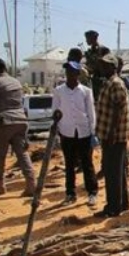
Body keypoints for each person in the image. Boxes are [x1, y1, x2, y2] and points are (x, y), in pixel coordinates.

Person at [0, 58, 36, 196]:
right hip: (20, 120)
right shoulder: (16, 81)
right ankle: (31, 184)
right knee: (22, 154)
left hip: (2, 122)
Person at [52, 60, 98, 206]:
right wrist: (58, 131)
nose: (69, 75)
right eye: (67, 72)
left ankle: (92, 193)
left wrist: (92, 132)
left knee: (87, 164)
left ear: (78, 74)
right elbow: (55, 112)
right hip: (67, 132)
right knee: (69, 164)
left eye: (72, 72)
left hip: (83, 132)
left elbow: (91, 113)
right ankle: (70, 193)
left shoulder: (86, 91)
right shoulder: (59, 91)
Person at [94, 54, 129, 218]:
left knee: (112, 172)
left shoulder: (115, 83)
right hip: (112, 135)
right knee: (118, 171)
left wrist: (110, 133)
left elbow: (117, 109)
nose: (102, 68)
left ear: (113, 67)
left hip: (114, 136)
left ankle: (113, 207)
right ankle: (122, 204)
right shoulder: (109, 82)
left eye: (105, 65)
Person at [84, 30, 111, 101]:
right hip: (93, 80)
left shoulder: (104, 49)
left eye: (87, 38)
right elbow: (90, 67)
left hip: (102, 80)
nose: (86, 40)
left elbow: (109, 64)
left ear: (94, 38)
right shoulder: (90, 51)